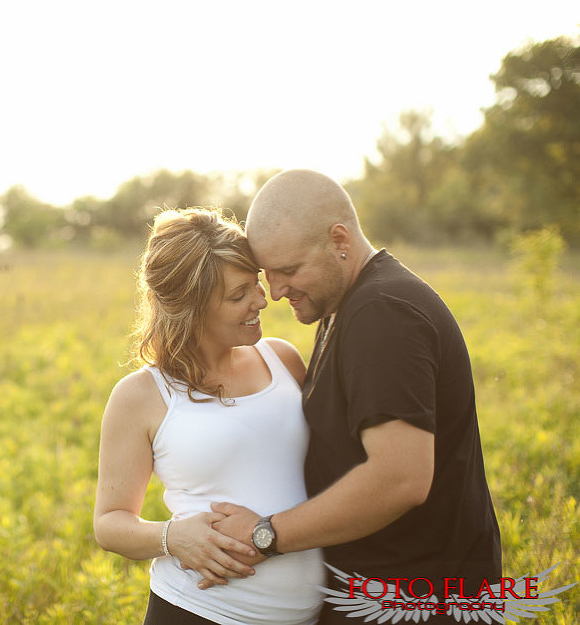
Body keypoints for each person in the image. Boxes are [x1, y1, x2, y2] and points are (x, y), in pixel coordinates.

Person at [208, 169, 502, 623]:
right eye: (269, 273)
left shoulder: (382, 313)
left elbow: (399, 477)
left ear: (339, 239)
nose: (277, 290)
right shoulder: (347, 302)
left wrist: (265, 534)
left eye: (288, 270)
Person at [94, 207, 326, 625]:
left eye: (255, 284)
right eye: (238, 295)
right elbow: (110, 523)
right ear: (189, 307)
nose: (262, 300)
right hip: (198, 611)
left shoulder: (283, 360)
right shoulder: (141, 395)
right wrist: (172, 537)